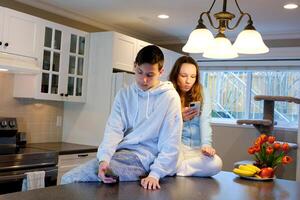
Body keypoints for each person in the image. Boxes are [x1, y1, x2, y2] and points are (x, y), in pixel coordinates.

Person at [61, 45, 183, 190]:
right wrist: (104, 160)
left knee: (70, 179)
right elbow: (113, 130)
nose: (143, 79)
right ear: (134, 66)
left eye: (150, 75)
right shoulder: (124, 95)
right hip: (120, 156)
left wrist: (155, 174)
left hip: (143, 160)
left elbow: (171, 140)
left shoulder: (169, 97)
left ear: (161, 72)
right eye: (139, 72)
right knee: (71, 179)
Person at [169, 56, 222, 177]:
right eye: (183, 76)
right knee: (166, 157)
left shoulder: (203, 92)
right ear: (176, 75)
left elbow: (205, 121)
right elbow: (162, 124)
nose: (188, 81)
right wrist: (180, 118)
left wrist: (206, 145)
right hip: (177, 146)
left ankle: (177, 170)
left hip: (197, 149)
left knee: (217, 164)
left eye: (193, 77)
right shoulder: (168, 92)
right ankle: (180, 168)